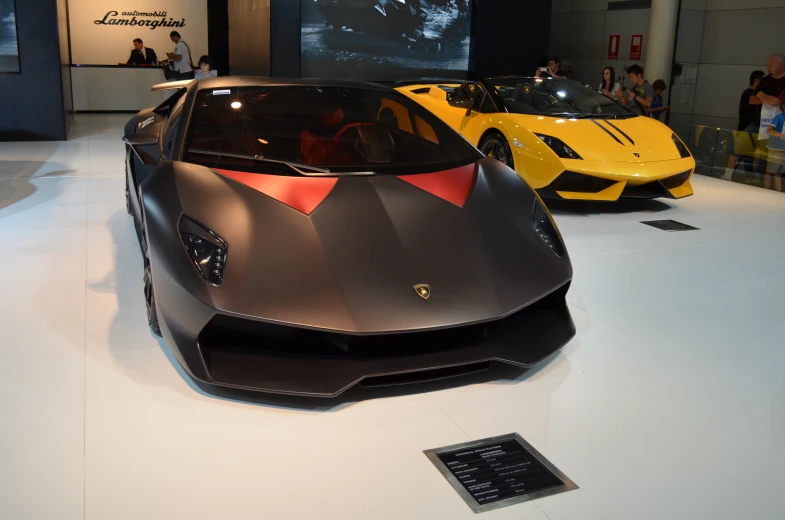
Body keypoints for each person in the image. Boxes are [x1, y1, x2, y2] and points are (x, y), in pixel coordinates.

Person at [721, 70, 764, 180]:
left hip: (747, 127)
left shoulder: (748, 94)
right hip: (746, 127)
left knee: (745, 155)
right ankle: (733, 175)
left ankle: (738, 175)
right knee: (740, 153)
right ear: (756, 81)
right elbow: (746, 114)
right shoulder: (750, 95)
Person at [764, 98, 785, 191]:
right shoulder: (779, 117)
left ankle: (777, 193)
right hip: (776, 148)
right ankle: (766, 190)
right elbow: (769, 130)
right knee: (770, 171)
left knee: (779, 172)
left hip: (783, 149)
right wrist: (780, 134)